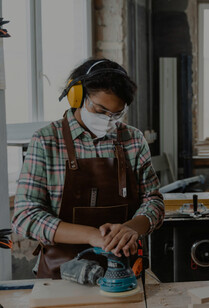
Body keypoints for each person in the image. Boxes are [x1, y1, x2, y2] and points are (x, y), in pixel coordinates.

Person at [12, 58, 164, 278]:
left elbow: (154, 201)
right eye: (100, 110)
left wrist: (132, 227)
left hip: (124, 270)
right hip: (62, 272)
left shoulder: (132, 139)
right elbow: (25, 215)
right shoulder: (46, 141)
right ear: (77, 95)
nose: (107, 120)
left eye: (116, 114)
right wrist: (92, 236)